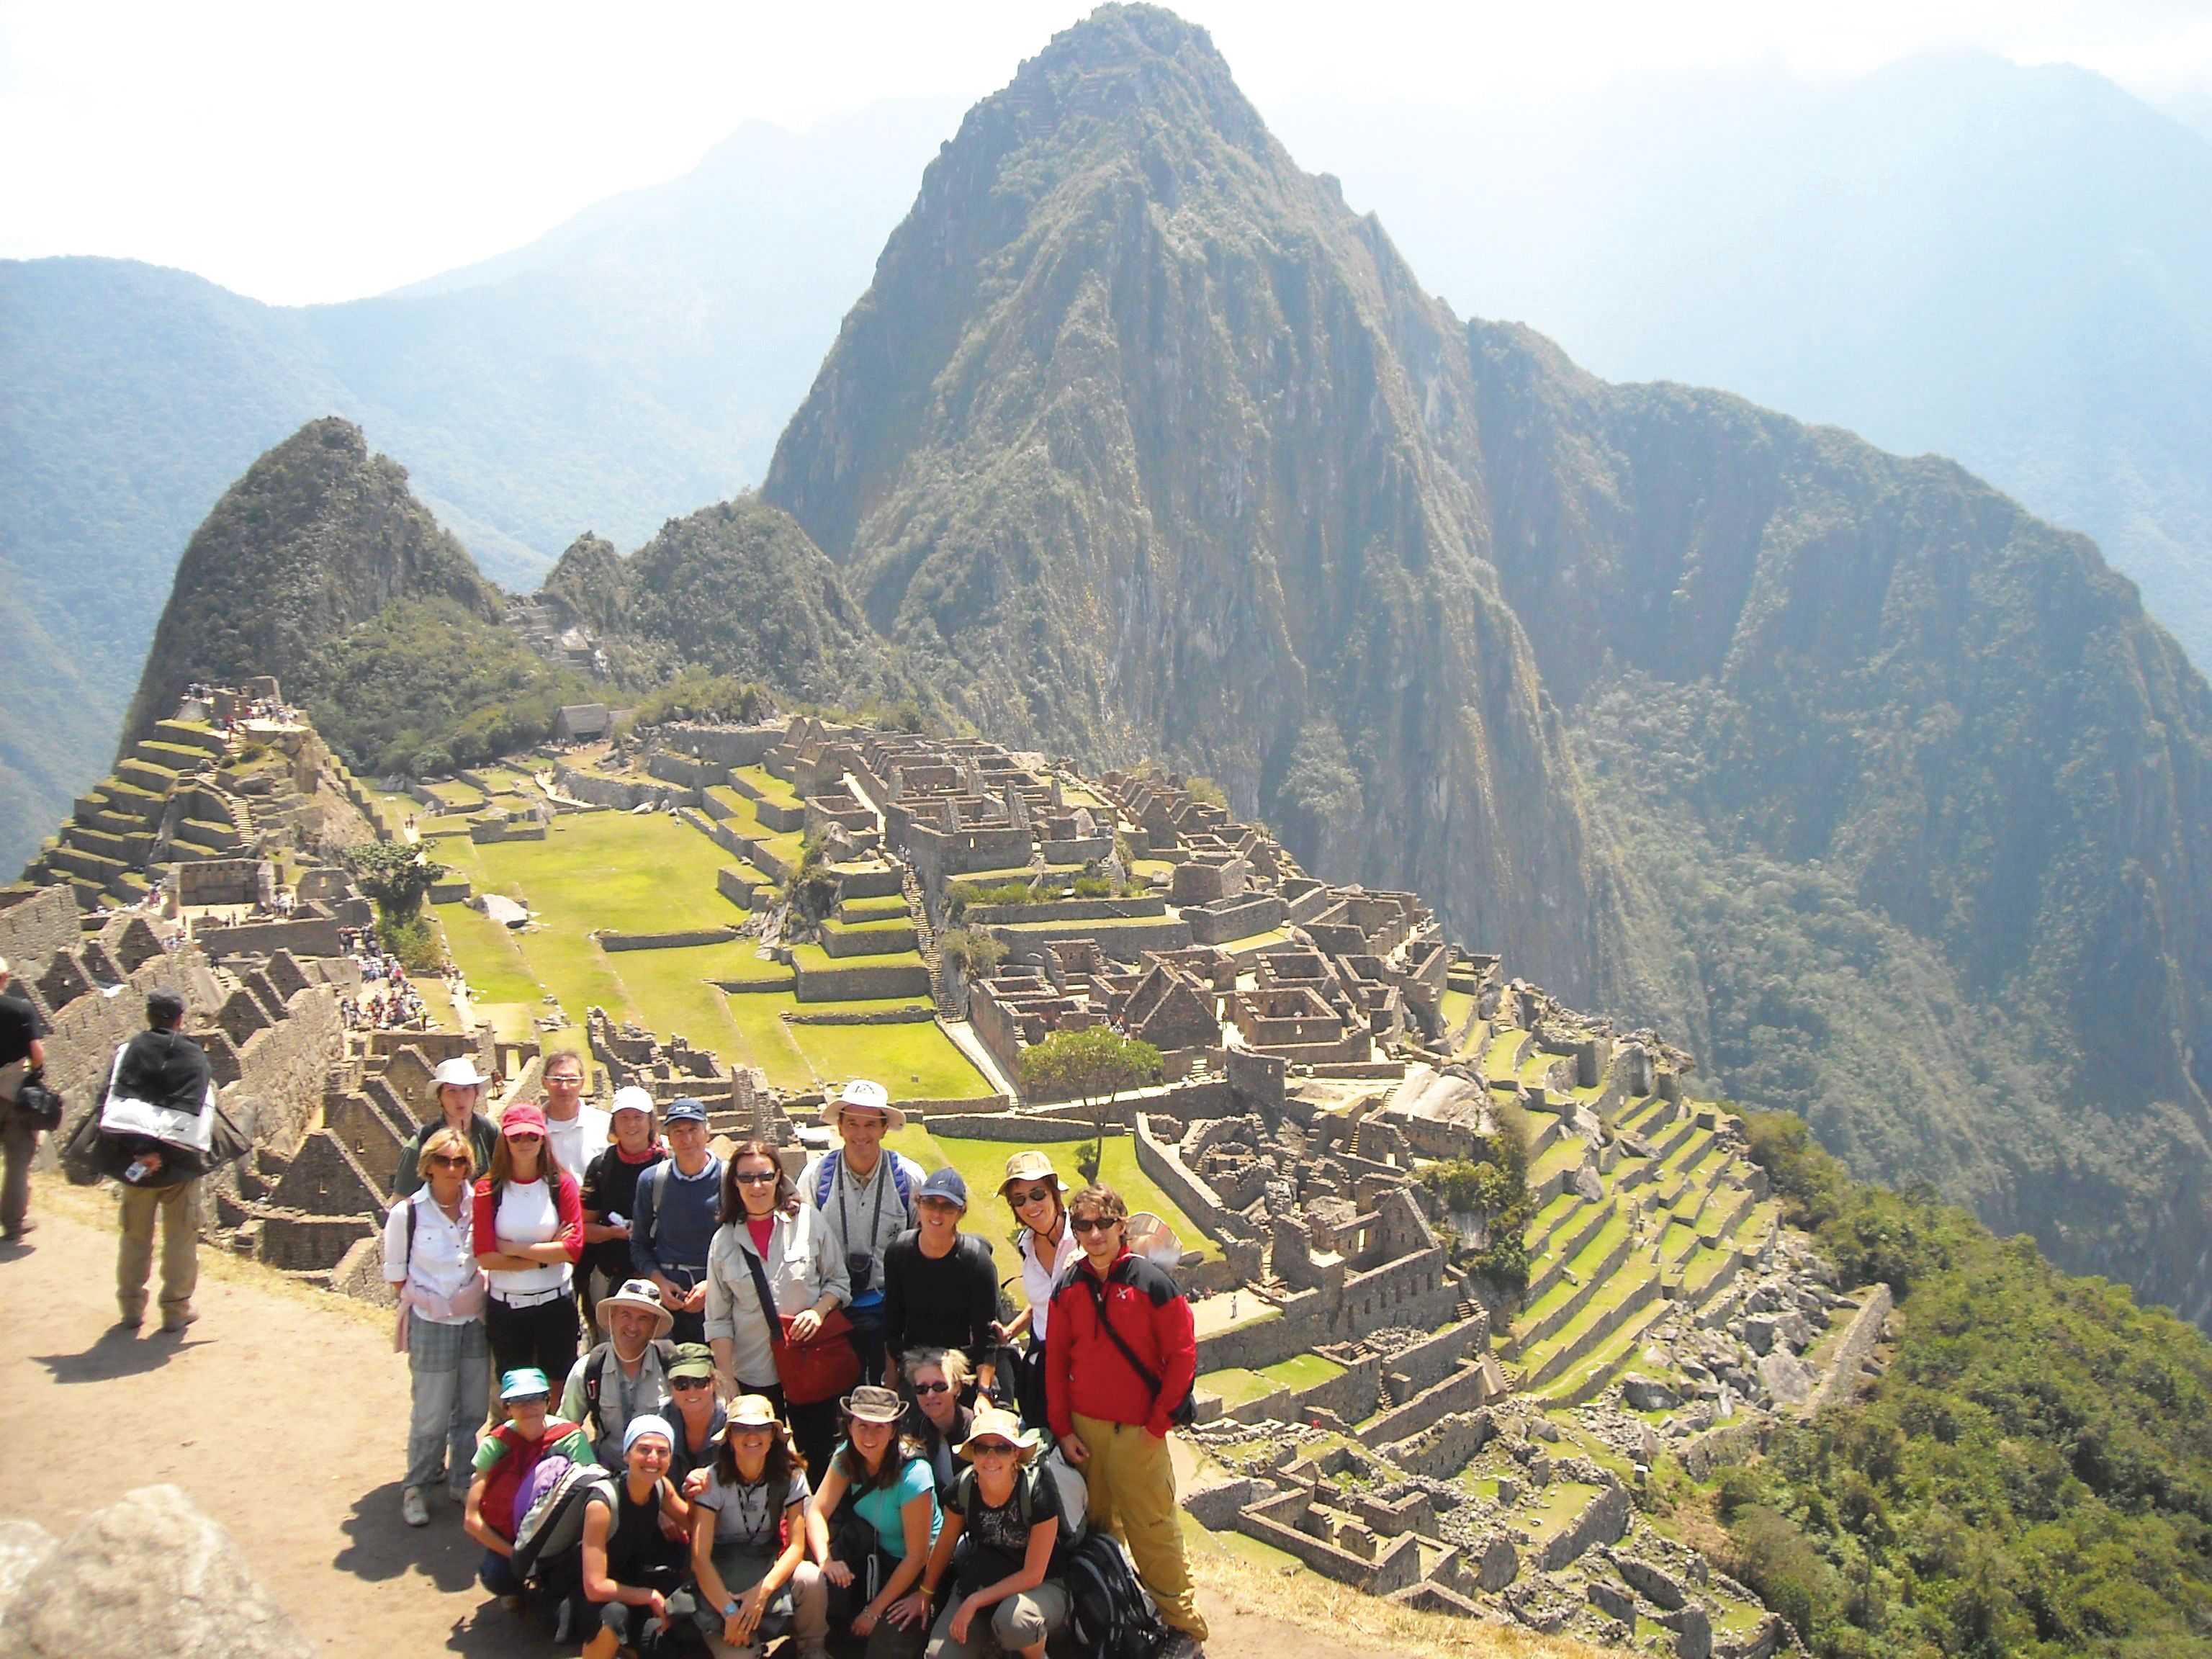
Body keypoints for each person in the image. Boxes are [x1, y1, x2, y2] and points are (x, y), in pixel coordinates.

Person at [1046, 1185, 1206, 1658]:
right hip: (1086, 1432)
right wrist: (1064, 1428)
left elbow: (1182, 1356)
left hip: (1138, 1432)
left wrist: (1156, 1425)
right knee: (1096, 1532)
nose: (1094, 1235)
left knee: (1153, 1531)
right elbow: (1056, 1361)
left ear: (1122, 1227)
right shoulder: (1069, 1287)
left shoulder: (1152, 1284)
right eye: (1083, 1227)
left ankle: (1183, 1629)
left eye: (1102, 1224)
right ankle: (1108, 1612)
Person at [705, 1138, 848, 1478]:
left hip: (808, 1361)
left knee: (820, 1450)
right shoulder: (723, 1242)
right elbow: (718, 1319)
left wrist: (818, 1311)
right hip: (755, 1370)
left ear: (778, 1177)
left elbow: (838, 1282)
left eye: (765, 1176)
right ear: (734, 1183)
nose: (757, 1186)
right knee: (764, 1462)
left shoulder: (809, 1222)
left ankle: (825, 1522)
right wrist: (728, 1384)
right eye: (746, 1178)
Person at [382, 1125, 490, 1527]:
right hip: (431, 1322)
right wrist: (433, 1301)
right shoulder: (406, 1214)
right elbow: (396, 1276)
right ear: (428, 1166)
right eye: (444, 1160)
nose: (452, 1168)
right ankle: (418, 1485)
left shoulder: (480, 1206)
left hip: (474, 1320)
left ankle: (462, 1478)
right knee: (431, 1412)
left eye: (460, 1161)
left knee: (473, 1407)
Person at [914, 1408, 1070, 1659]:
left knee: (1016, 1622)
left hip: (1040, 1588)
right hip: (981, 1580)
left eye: (1002, 1448)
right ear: (972, 1454)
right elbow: (944, 1545)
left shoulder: (1039, 1492)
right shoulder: (962, 1488)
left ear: (1016, 1454)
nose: (991, 1457)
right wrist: (926, 1592)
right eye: (982, 1448)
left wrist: (975, 1602)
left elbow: (1033, 1575)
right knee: (939, 1656)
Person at [101, 989, 212, 1333]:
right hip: (177, 1166)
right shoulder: (195, 1058)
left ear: (149, 1017)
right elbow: (196, 1113)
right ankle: (176, 1310)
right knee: (181, 1238)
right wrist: (164, 1155)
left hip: (136, 1164)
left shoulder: (129, 1051)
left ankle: (131, 1308)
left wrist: (141, 1153)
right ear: (180, 1019)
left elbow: (115, 1104)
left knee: (135, 1236)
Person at [686, 1394, 830, 1659]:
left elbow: (797, 1546)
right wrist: (731, 1613)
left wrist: (761, 1593)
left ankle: (812, 1649)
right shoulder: (711, 1480)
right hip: (721, 1577)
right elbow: (700, 1559)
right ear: (729, 1437)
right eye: (741, 1429)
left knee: (810, 1578)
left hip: (766, 1566)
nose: (751, 1437)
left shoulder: (792, 1477)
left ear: (773, 1434)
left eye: (761, 1428)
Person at [800, 1082, 925, 1385]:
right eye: (852, 1123)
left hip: (891, 1309)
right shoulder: (816, 1178)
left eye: (870, 1124)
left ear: (884, 1129)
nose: (861, 1134)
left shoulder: (909, 1179)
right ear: (840, 1127)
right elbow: (801, 1245)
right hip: (831, 1310)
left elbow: (923, 1247)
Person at [810, 1385, 939, 1659]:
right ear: (849, 1426)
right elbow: (817, 1511)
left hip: (917, 1571)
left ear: (894, 1430)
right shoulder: (847, 1455)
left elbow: (917, 1557)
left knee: (884, 1646)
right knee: (834, 1620)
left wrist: (873, 1611)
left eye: (880, 1427)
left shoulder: (915, 1474)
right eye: (862, 1426)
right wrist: (826, 1561)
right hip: (871, 1554)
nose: (869, 1436)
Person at [474, 1103, 585, 1385]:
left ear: (543, 1139)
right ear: (505, 1141)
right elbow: (485, 1257)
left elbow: (573, 1249)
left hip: (555, 1305)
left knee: (559, 1387)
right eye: (516, 1137)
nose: (525, 1143)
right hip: (508, 1310)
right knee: (516, 1393)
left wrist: (512, 1249)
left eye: (532, 1136)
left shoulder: (562, 1185)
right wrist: (546, 1254)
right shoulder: (488, 1190)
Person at [464, 1367, 597, 1601]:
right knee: (496, 1576)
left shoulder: (571, 1437)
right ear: (507, 1408)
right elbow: (472, 1521)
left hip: (560, 1534)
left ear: (547, 1402)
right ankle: (515, 1587)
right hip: (511, 1539)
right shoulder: (495, 1443)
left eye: (536, 1399)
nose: (529, 1408)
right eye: (519, 1401)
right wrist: (518, 1556)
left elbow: (591, 1493)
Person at [579, 1414, 694, 1659]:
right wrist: (648, 1596)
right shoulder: (602, 1505)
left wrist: (701, 1492)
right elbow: (595, 1587)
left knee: (672, 1639)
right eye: (644, 1449)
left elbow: (697, 1527)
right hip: (585, 1596)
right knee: (614, 1615)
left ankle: (625, 1648)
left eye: (662, 1452)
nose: (653, 1458)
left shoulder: (661, 1487)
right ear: (626, 1455)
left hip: (631, 1584)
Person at [881, 1169, 997, 1395]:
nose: (937, 1213)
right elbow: (892, 1321)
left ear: (960, 1213)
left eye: (947, 1207)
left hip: (961, 1366)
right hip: (914, 1362)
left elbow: (986, 1337)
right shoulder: (899, 1252)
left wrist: (984, 1392)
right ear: (918, 1204)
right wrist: (891, 1380)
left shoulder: (976, 1261)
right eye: (930, 1203)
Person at [631, 1097, 723, 1345]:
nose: (687, 1139)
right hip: (667, 1302)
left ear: (707, 1131)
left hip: (720, 1300)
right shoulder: (652, 1181)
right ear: (668, 1138)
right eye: (678, 1132)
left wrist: (712, 1285)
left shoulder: (729, 1180)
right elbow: (639, 1245)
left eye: (693, 1130)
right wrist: (659, 1282)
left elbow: (743, 1245)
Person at [996, 1152, 1077, 1430]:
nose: (1029, 1205)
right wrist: (1010, 1332)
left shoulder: (1084, 1237)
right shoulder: (1026, 1244)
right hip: (1042, 1363)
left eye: (1037, 1194)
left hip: (1081, 1366)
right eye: (1019, 1199)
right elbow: (1042, 1301)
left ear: (1055, 1193)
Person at [559, 1277, 677, 1467]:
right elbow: (566, 1429)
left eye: (643, 1319)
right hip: (606, 1470)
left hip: (657, 1472)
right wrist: (587, 1465)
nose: (632, 1327)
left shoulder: (671, 1366)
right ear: (612, 1317)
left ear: (654, 1325)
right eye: (626, 1316)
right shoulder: (589, 1369)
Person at [578, 1087, 663, 1341]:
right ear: (614, 1123)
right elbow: (584, 1228)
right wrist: (611, 1233)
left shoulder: (668, 1164)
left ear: (650, 1121)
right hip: (610, 1276)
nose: (631, 1125)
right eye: (624, 1118)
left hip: (658, 1278)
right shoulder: (601, 1166)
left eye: (638, 1117)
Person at [395, 1057, 498, 1200]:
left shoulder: (492, 1134)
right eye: (452, 1091)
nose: (460, 1099)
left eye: (466, 1090)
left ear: (476, 1093)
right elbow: (400, 1202)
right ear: (439, 1097)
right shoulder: (421, 1144)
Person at [0, 956, 50, 1242]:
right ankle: (13, 1223)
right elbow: (37, 1052)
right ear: (5, 979)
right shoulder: (20, 1009)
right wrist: (36, 1072)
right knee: (18, 1162)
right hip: (13, 1092)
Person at [902, 1349, 976, 1503]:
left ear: (957, 1388)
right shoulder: (915, 1430)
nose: (930, 1395)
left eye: (939, 1386)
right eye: (921, 1389)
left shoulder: (976, 1430)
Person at [660, 1343, 728, 1492]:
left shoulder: (733, 1424)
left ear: (714, 1382)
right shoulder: (657, 1424)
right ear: (670, 1387)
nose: (691, 1391)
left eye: (700, 1382)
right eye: (681, 1383)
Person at [539, 1048, 608, 1193]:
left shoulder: (606, 1125)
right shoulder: (530, 1133)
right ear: (544, 1082)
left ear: (582, 1083)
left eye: (572, 1080)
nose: (564, 1087)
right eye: (557, 1080)